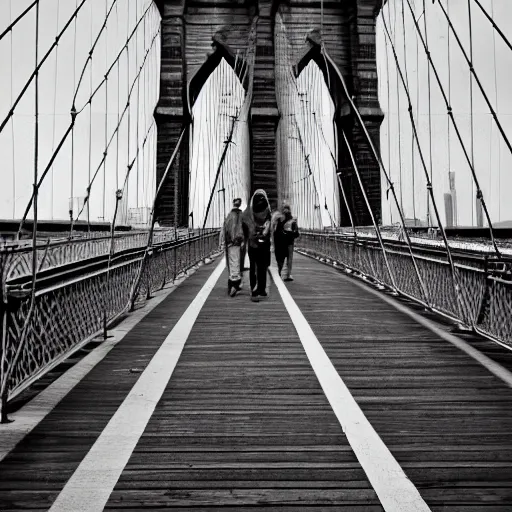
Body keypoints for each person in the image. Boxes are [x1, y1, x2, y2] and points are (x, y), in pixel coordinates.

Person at [242, 189, 272, 302]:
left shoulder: (248, 213)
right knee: (256, 267)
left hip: (261, 243)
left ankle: (261, 288)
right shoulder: (247, 215)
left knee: (262, 266)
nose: (261, 215)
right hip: (254, 244)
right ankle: (255, 290)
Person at [223, 198, 244, 297]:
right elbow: (246, 228)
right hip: (239, 242)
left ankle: (233, 284)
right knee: (238, 262)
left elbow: (225, 229)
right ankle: (235, 284)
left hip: (230, 243)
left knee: (232, 262)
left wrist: (225, 241)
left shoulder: (229, 216)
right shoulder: (242, 216)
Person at [272, 202, 299, 281]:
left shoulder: (278, 219)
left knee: (280, 258)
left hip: (280, 242)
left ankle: (279, 272)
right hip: (289, 241)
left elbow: (275, 231)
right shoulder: (292, 220)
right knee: (289, 258)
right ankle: (287, 274)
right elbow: (296, 232)